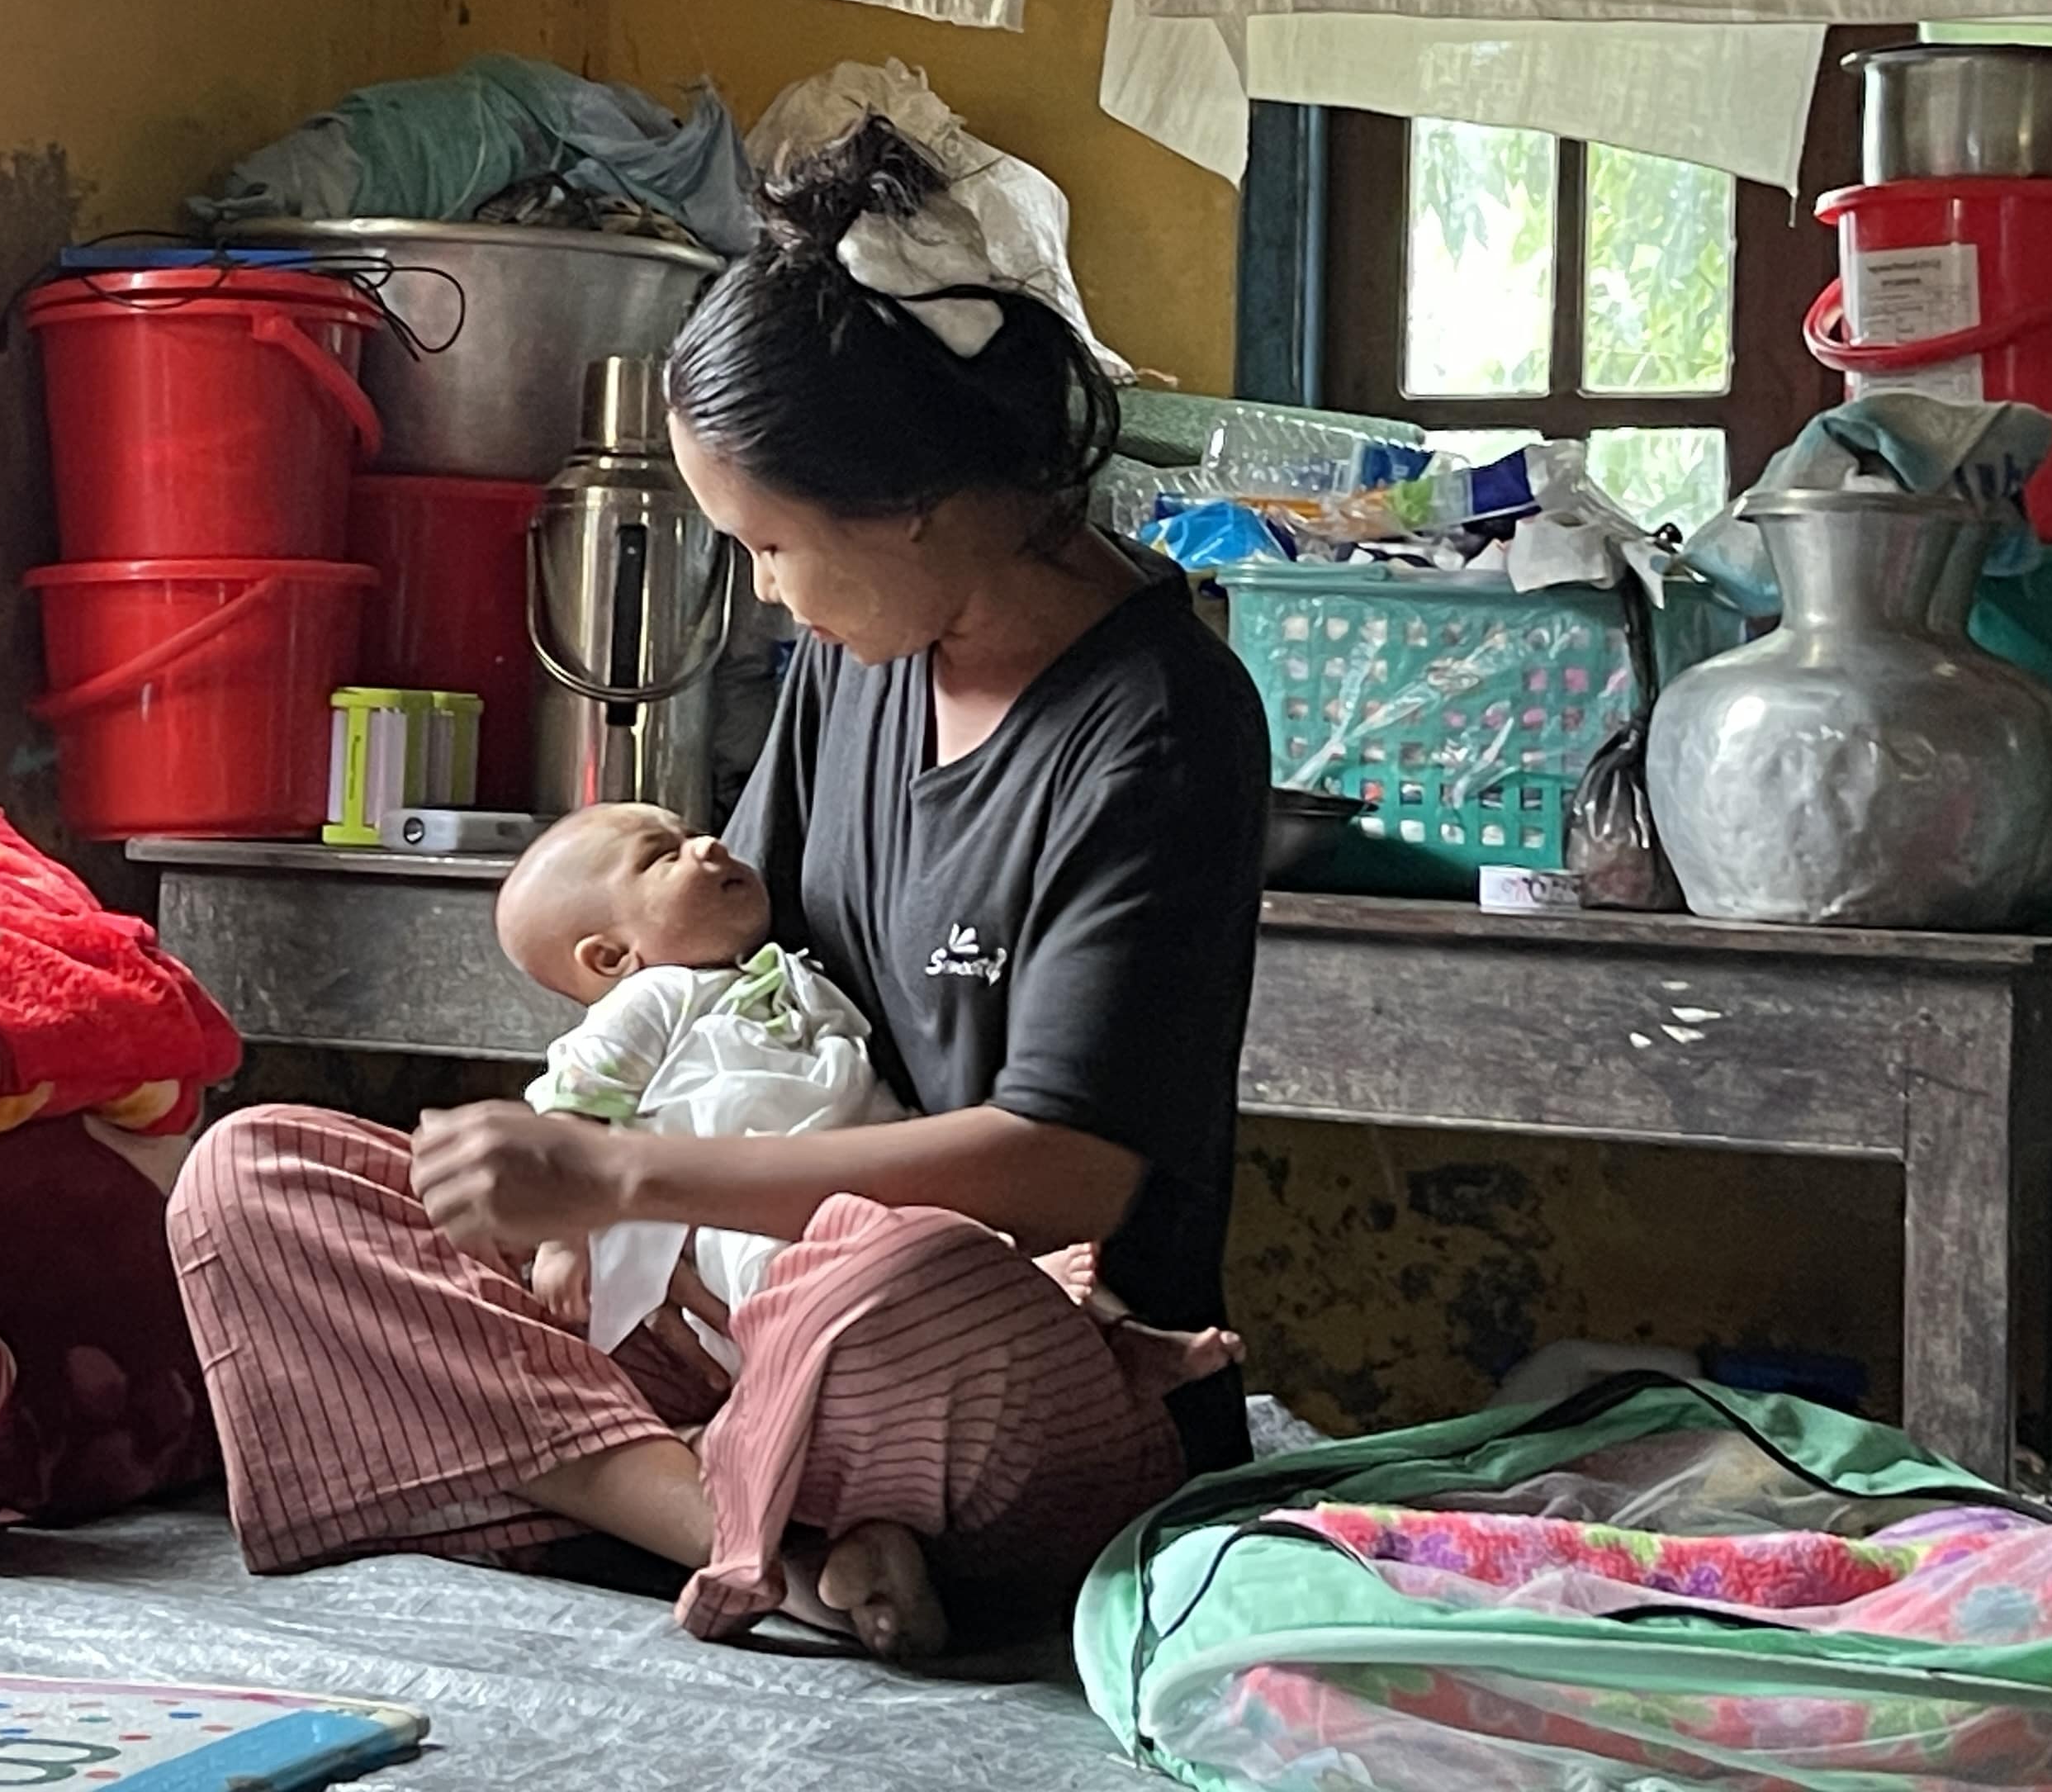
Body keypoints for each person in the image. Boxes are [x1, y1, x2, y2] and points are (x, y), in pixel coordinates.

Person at [166, 121, 1272, 1657]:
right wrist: (576, 1161)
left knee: (896, 1279)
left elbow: (1068, 1171)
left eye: (767, 542)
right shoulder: (861, 649)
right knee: (259, 1178)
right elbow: (721, 958)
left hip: (1007, 1351)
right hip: (735, 1311)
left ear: (909, 505)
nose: (761, 589)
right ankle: (770, 1541)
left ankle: (737, 1495)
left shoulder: (1159, 722)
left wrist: (622, 1181)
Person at [496, 799, 1241, 1405]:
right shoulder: (653, 1000)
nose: (710, 847)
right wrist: (567, 1237)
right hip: (769, 1230)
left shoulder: (784, 969)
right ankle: (1075, 1332)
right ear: (609, 957)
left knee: (1005, 1230)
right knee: (913, 1270)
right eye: (664, 857)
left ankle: (1117, 1344)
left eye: (693, 833)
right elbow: (571, 1114)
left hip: (870, 1173)